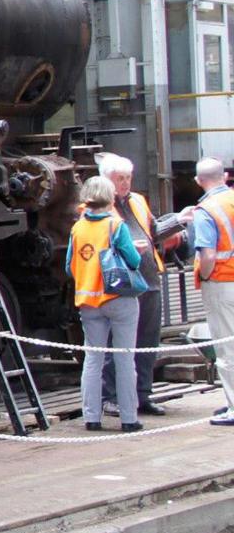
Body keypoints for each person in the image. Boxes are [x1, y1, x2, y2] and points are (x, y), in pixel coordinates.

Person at [70, 175, 143, 431]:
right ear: (110, 198)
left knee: (93, 359)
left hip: (89, 301)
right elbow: (133, 261)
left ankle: (91, 417)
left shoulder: (78, 228)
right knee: (124, 359)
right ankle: (128, 419)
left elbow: (71, 266)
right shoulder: (115, 226)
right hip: (118, 297)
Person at [98, 155, 169, 417]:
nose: (125, 183)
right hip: (122, 284)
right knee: (117, 342)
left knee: (148, 340)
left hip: (149, 280)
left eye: (128, 177)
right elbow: (95, 245)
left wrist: (178, 222)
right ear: (107, 180)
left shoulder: (138, 200)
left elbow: (153, 231)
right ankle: (111, 397)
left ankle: (142, 395)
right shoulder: (98, 206)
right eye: (120, 178)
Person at [190, 158, 234, 426]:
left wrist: (205, 275)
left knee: (227, 347)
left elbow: (207, 255)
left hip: (222, 283)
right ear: (226, 176)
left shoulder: (206, 210)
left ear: (198, 181)